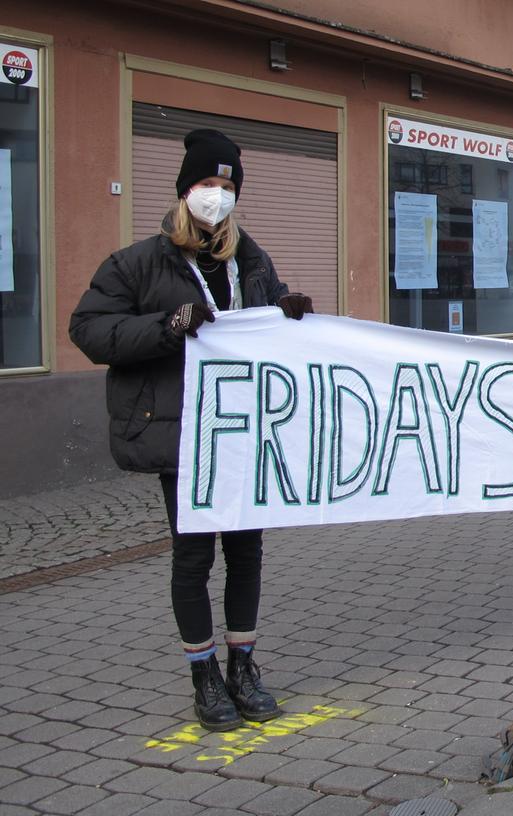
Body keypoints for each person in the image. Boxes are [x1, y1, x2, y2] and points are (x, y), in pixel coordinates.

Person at [70, 129, 314, 731]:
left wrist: (288, 316)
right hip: (185, 433)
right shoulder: (137, 263)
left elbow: (269, 322)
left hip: (244, 428)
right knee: (193, 556)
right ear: (185, 191)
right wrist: (167, 324)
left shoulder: (251, 260)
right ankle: (203, 676)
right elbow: (91, 331)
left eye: (227, 186)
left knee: (247, 552)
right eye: (208, 184)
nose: (217, 195)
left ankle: (243, 666)